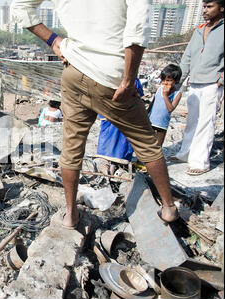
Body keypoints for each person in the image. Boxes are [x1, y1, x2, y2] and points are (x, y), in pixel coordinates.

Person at [12, 0, 179, 226]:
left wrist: (53, 40)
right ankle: (168, 209)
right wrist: (129, 78)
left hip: (74, 72)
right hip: (112, 78)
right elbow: (138, 28)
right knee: (147, 143)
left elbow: (19, 7)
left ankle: (71, 215)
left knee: (72, 147)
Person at [170, 0, 224, 176]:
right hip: (194, 82)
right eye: (204, 7)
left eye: (210, 7)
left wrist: (221, 80)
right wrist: (177, 82)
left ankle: (200, 162)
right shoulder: (199, 30)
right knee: (192, 121)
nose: (205, 10)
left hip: (212, 82)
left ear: (221, 8)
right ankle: (185, 153)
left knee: (206, 123)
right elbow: (187, 57)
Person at [148, 64, 183, 147]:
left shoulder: (177, 94)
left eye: (168, 80)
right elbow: (152, 103)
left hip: (162, 124)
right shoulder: (159, 89)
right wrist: (146, 113)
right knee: (147, 143)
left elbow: (170, 109)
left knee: (158, 145)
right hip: (151, 121)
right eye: (163, 80)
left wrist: (165, 95)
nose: (165, 83)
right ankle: (141, 160)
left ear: (176, 81)